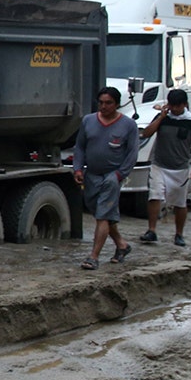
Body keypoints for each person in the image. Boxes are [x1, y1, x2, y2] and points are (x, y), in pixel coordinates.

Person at [73, 86, 139, 270]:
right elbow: (79, 147)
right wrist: (78, 168)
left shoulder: (128, 125)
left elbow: (132, 154)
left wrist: (119, 175)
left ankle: (93, 257)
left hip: (112, 176)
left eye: (108, 103)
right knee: (102, 215)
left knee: (102, 216)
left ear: (117, 104)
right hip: (91, 175)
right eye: (101, 103)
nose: (104, 106)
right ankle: (122, 245)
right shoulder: (88, 121)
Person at [139, 88, 191, 247]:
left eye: (178, 106)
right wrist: (161, 118)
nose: (175, 109)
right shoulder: (163, 117)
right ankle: (152, 230)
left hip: (180, 167)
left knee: (180, 203)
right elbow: (146, 133)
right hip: (159, 164)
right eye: (172, 106)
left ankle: (179, 234)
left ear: (185, 104)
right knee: (154, 196)